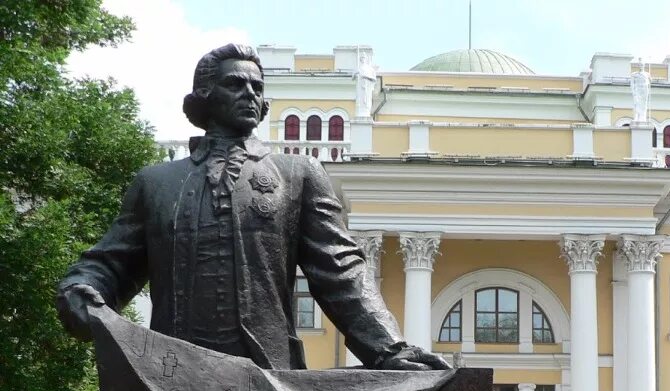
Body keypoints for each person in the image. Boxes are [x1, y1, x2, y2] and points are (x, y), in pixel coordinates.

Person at [57, 43, 448, 373]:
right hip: (175, 371)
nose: (250, 93)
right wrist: (81, 289)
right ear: (204, 96)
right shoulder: (156, 183)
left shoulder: (299, 174)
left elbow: (340, 270)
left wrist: (388, 350)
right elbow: (110, 263)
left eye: (257, 87)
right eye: (235, 83)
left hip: (268, 369)